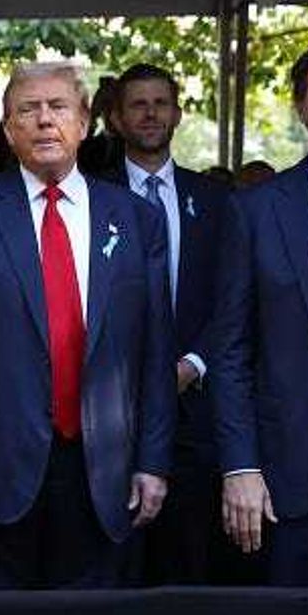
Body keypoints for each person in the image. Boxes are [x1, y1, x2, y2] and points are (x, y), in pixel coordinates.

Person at [0, 61, 176, 589]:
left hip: (105, 468)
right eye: (27, 110)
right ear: (9, 130)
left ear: (84, 122)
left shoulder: (134, 218)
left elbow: (154, 350)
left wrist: (154, 460)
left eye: (58, 107)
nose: (43, 121)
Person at [100, 63, 241, 584]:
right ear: (116, 118)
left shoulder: (219, 201)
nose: (151, 113)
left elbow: (232, 303)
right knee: (120, 551)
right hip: (111, 404)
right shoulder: (91, 198)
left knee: (191, 554)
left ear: (178, 113)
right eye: (138, 104)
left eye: (161, 102)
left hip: (196, 403)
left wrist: (194, 363)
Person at [213, 39, 308, 586]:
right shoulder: (257, 211)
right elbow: (230, 351)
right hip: (294, 460)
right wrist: (240, 466)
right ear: (301, 105)